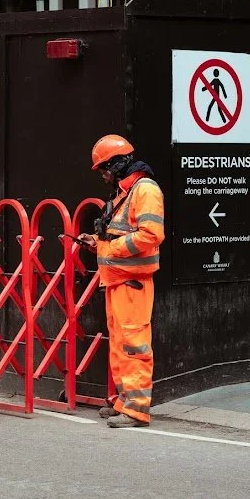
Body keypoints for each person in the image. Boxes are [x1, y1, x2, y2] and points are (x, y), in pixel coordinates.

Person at [79, 134, 164, 428]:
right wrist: (96, 242)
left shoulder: (145, 190)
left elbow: (151, 235)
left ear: (117, 164)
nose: (103, 174)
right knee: (120, 343)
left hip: (133, 283)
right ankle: (124, 401)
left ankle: (138, 410)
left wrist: (107, 248)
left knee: (134, 344)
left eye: (104, 167)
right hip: (117, 281)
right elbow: (119, 235)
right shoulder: (123, 194)